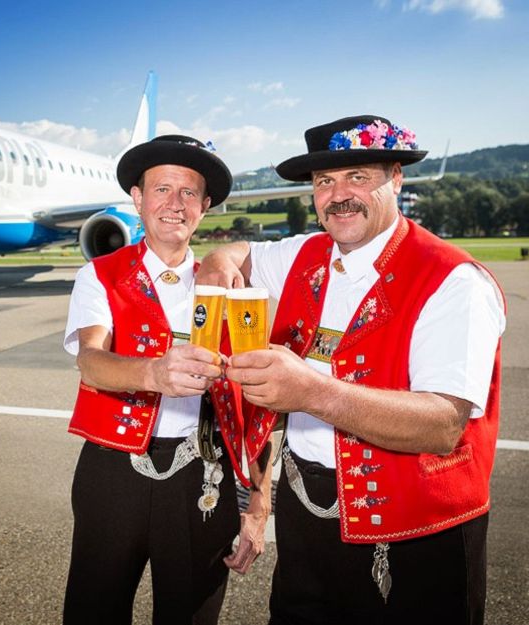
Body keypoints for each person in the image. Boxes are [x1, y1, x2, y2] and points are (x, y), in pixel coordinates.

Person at [197, 116, 506, 624]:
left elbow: (443, 424)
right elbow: (240, 253)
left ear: (396, 178)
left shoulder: (453, 280)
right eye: (324, 182)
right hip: (306, 520)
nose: (339, 195)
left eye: (358, 177)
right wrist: (216, 261)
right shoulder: (304, 252)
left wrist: (312, 392)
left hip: (416, 534)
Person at [62, 135, 274, 625]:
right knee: (93, 612)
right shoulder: (100, 275)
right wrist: (153, 372)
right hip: (112, 472)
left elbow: (256, 404)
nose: (174, 204)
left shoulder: (232, 289)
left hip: (204, 476)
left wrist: (258, 502)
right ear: (137, 199)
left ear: (205, 206)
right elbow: (91, 361)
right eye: (161, 189)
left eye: (189, 193)